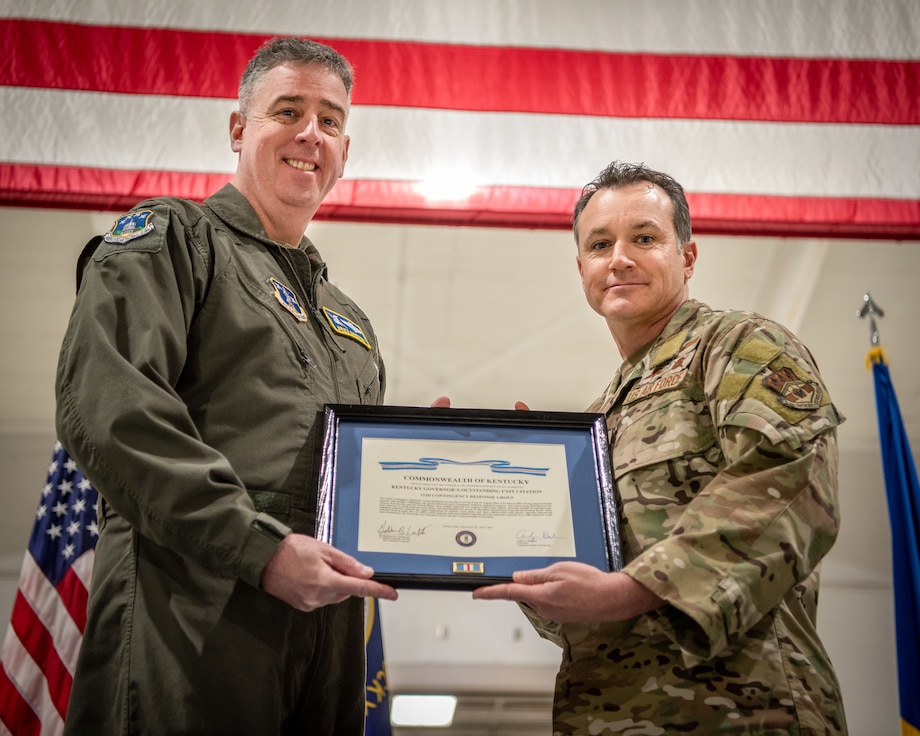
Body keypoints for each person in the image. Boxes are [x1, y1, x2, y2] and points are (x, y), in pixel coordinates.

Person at [55, 37, 398, 735]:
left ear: (345, 149)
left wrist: (437, 458)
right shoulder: (176, 239)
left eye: (330, 120)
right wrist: (259, 549)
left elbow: (358, 479)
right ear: (239, 129)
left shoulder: (347, 317)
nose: (311, 134)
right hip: (194, 598)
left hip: (327, 621)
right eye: (289, 111)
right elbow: (112, 409)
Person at [473, 161, 849, 734]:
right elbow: (576, 600)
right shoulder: (595, 419)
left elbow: (788, 482)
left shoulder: (738, 346)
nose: (619, 258)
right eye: (600, 244)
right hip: (604, 713)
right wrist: (491, 494)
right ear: (583, 270)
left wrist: (631, 591)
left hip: (745, 710)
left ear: (687, 256)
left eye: (643, 237)